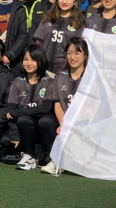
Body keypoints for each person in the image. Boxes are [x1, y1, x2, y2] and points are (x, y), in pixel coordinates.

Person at [1, 45, 55, 171]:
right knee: (10, 137)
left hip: (45, 126)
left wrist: (18, 112)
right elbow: (11, 109)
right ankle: (29, 156)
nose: (28, 63)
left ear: (41, 60)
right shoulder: (17, 82)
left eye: (33, 59)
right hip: (25, 126)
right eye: (25, 59)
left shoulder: (49, 81)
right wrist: (14, 134)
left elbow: (46, 108)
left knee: (45, 120)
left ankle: (52, 155)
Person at [43, 37, 88, 175]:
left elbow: (92, 106)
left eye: (77, 53)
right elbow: (57, 103)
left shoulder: (91, 78)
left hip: (84, 121)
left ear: (85, 55)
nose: (72, 57)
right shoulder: (59, 77)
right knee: (45, 122)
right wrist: (64, 124)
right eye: (69, 53)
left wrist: (74, 124)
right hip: (64, 121)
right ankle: (56, 159)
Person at [33, 0, 86, 74]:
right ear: (57, 0)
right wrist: (38, 61)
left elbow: (79, 50)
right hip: (44, 69)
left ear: (75, 2)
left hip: (65, 71)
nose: (64, 1)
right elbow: (38, 43)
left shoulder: (80, 23)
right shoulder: (47, 19)